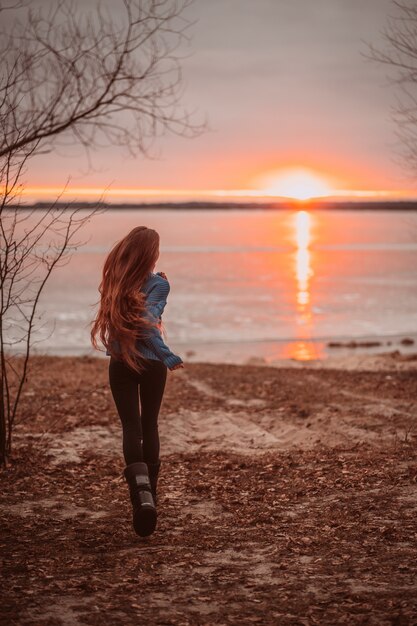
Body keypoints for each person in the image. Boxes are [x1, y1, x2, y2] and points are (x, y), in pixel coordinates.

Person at [91, 226, 184, 537]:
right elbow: (147, 322)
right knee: (149, 426)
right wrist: (167, 354)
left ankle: (141, 500)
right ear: (150, 254)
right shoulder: (159, 284)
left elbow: (131, 320)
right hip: (152, 363)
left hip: (120, 364)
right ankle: (150, 501)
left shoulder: (115, 281)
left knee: (131, 427)